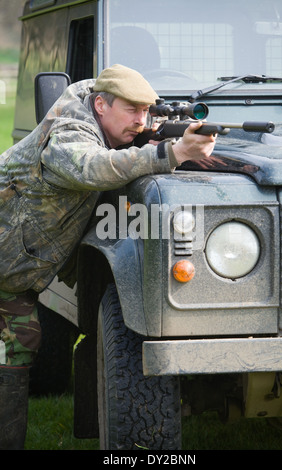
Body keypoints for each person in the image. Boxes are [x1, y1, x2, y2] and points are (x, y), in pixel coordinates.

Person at [0, 64, 216, 449]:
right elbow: (92, 166)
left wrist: (148, 137)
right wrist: (170, 153)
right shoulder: (69, 134)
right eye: (132, 110)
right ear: (100, 104)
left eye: (147, 111)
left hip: (14, 276)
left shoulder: (96, 114)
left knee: (18, 346)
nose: (142, 120)